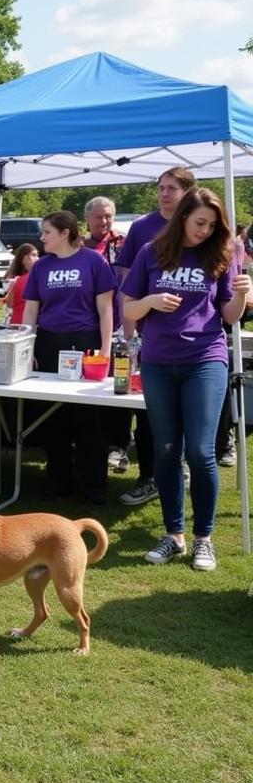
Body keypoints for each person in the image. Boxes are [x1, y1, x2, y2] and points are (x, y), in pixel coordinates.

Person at [122, 187, 251, 570]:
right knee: (166, 449)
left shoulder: (221, 255)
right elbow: (129, 308)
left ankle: (203, 539)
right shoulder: (151, 253)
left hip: (205, 359)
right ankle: (174, 534)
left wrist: (243, 295)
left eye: (212, 226)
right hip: (159, 362)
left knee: (199, 450)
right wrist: (151, 302)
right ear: (182, 218)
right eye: (199, 223)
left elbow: (229, 316)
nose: (205, 231)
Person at [21, 211, 116, 503]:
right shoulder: (41, 267)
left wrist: (105, 350)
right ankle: (57, 479)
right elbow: (31, 311)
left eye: (46, 232)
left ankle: (93, 485)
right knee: (53, 417)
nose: (41, 237)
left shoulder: (93, 261)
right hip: (49, 344)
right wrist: (25, 347)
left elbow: (105, 309)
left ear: (65, 233)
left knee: (87, 418)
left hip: (84, 343)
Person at [116, 168, 196, 507]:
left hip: (196, 342)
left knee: (187, 413)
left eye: (171, 188)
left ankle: (186, 468)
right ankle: (149, 476)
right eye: (160, 188)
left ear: (188, 192)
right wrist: (129, 334)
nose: (164, 194)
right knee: (149, 412)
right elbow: (125, 281)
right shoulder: (141, 229)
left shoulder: (200, 226)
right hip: (150, 338)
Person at [82, 196, 130, 474]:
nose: (104, 221)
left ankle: (119, 445)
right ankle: (96, 444)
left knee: (119, 385)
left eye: (109, 216)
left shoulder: (122, 244)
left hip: (122, 324)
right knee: (92, 388)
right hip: (90, 325)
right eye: (99, 216)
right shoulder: (81, 247)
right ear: (87, 218)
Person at [2, 242, 37, 325]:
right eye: (33, 255)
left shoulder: (36, 275)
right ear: (24, 258)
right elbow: (9, 303)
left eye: (37, 255)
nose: (37, 258)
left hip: (29, 321)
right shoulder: (13, 277)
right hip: (19, 321)